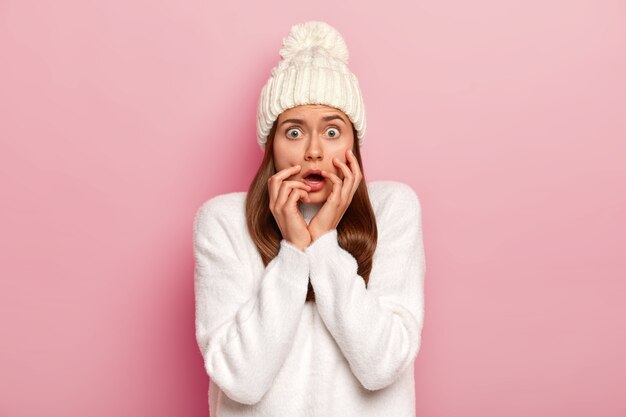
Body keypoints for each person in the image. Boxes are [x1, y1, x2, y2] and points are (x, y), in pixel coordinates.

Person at [193, 20, 426, 417]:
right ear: (271, 144)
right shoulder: (222, 222)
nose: (314, 152)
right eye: (295, 132)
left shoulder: (393, 210)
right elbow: (241, 380)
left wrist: (322, 243)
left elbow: (382, 365)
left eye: (333, 132)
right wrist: (294, 252)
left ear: (354, 141)